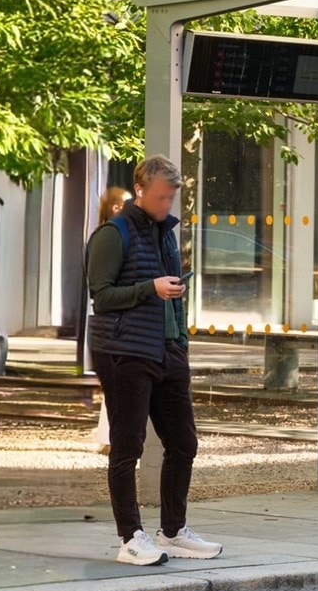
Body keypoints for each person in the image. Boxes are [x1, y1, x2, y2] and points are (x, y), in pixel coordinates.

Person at [85, 155, 221, 566]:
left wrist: (179, 339)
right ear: (140, 190)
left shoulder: (165, 234)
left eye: (172, 199)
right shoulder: (113, 234)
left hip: (166, 350)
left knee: (184, 443)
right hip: (125, 351)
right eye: (162, 197)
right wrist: (151, 288)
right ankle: (130, 538)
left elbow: (166, 291)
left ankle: (173, 532)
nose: (167, 206)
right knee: (128, 447)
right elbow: (101, 296)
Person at [88, 186, 132, 456]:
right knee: (116, 388)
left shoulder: (112, 235)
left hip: (113, 326)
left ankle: (110, 437)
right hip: (113, 326)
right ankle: (110, 438)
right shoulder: (109, 238)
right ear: (116, 208)